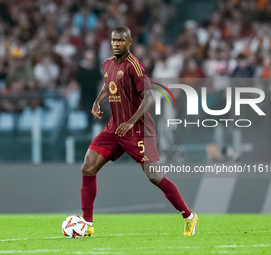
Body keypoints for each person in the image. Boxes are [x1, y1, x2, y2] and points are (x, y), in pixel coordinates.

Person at [80, 26, 198, 237]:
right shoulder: (107, 64)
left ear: (129, 42)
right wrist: (97, 101)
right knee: (88, 166)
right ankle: (87, 223)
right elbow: (110, 85)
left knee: (154, 176)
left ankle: (189, 216)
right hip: (114, 128)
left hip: (139, 130)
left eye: (120, 40)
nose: (116, 43)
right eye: (114, 40)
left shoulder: (135, 66)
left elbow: (150, 97)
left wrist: (131, 122)